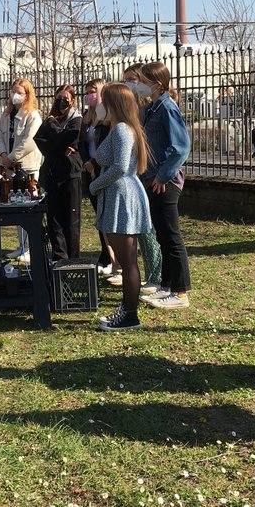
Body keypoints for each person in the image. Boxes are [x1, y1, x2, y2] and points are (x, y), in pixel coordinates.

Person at [84, 83, 153, 331]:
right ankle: (126, 310)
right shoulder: (117, 128)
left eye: (104, 101)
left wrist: (95, 185)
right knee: (126, 260)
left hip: (122, 196)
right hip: (117, 195)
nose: (99, 104)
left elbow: (121, 167)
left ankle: (130, 315)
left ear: (114, 104)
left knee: (128, 261)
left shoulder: (123, 130)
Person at [136, 61, 192, 309]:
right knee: (161, 234)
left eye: (143, 81)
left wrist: (163, 175)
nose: (138, 86)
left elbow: (180, 147)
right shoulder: (153, 108)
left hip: (164, 182)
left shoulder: (167, 107)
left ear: (157, 85)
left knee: (171, 236)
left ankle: (180, 292)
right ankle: (168, 286)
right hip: (153, 179)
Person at [0, 78, 43, 261]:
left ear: (27, 95)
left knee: (28, 205)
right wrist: (3, 155)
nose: (15, 95)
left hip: (27, 166)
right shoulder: (6, 115)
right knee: (15, 205)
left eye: (20, 92)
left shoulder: (33, 115)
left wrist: (12, 158)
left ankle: (31, 246)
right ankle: (21, 245)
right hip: (9, 166)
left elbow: (29, 141)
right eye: (13, 91)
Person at [123, 64, 162, 296]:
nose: (129, 83)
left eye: (133, 79)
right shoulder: (131, 107)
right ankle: (151, 273)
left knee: (150, 229)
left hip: (148, 173)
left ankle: (156, 275)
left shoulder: (150, 108)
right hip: (136, 172)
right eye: (125, 79)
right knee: (141, 228)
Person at [34, 84, 83, 260]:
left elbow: (68, 138)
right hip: (53, 173)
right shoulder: (51, 119)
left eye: (65, 99)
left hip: (71, 174)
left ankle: (73, 259)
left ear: (72, 101)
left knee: (71, 220)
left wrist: (52, 126)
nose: (61, 102)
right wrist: (59, 148)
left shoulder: (76, 119)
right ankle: (59, 256)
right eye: (58, 99)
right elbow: (39, 139)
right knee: (54, 219)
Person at [77, 79, 118, 275]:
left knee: (108, 216)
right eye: (87, 92)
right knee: (99, 216)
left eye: (93, 91)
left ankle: (114, 259)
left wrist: (95, 164)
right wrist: (86, 161)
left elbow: (107, 145)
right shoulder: (87, 116)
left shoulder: (108, 117)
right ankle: (105, 254)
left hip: (102, 169)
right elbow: (81, 143)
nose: (89, 95)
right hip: (89, 170)